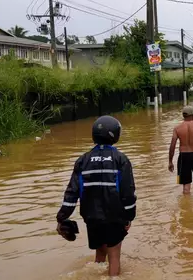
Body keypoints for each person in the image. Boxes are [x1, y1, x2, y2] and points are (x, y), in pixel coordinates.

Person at [56, 115, 136, 277]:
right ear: (115, 134)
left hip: (91, 217)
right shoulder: (121, 159)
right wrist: (129, 217)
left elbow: (71, 193)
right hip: (114, 217)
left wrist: (61, 218)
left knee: (100, 254)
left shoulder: (82, 161)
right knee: (114, 256)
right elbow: (127, 193)